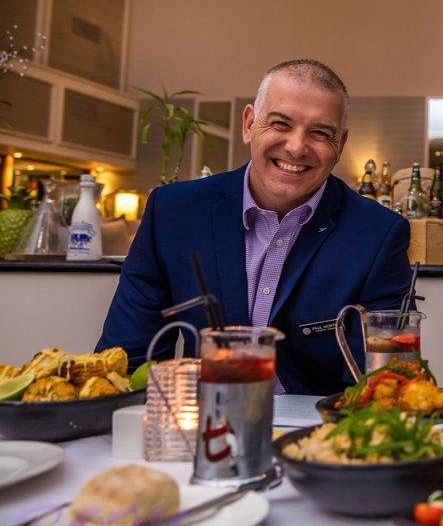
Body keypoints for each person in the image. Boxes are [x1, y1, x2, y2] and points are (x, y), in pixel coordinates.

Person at [98, 59, 411, 396]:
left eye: (320, 133)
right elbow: (126, 366)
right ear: (249, 124)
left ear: (341, 144)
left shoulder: (379, 235)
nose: (296, 146)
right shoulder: (174, 213)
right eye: (280, 123)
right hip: (200, 426)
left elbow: (379, 390)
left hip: (314, 437)